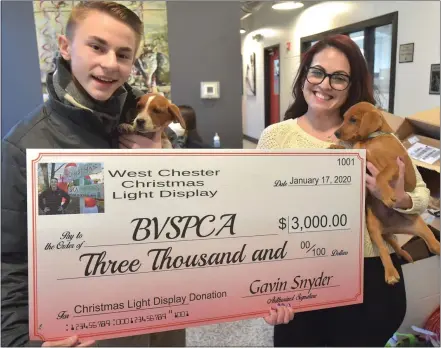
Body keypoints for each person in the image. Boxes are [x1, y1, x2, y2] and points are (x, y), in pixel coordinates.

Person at [1, 2, 292, 347]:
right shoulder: (29, 146)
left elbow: (205, 220)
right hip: (90, 328)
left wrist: (165, 164)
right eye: (96, 46)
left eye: (123, 54)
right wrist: (22, 343)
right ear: (65, 47)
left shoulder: (149, 127)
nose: (110, 63)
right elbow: (9, 262)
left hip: (167, 309)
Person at [257, 34, 430, 347]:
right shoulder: (276, 138)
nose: (324, 84)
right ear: (304, 74)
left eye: (339, 78)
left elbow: (422, 195)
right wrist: (265, 289)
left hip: (372, 275)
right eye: (317, 72)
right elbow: (258, 217)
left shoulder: (375, 135)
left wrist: (398, 198)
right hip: (301, 275)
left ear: (352, 86)